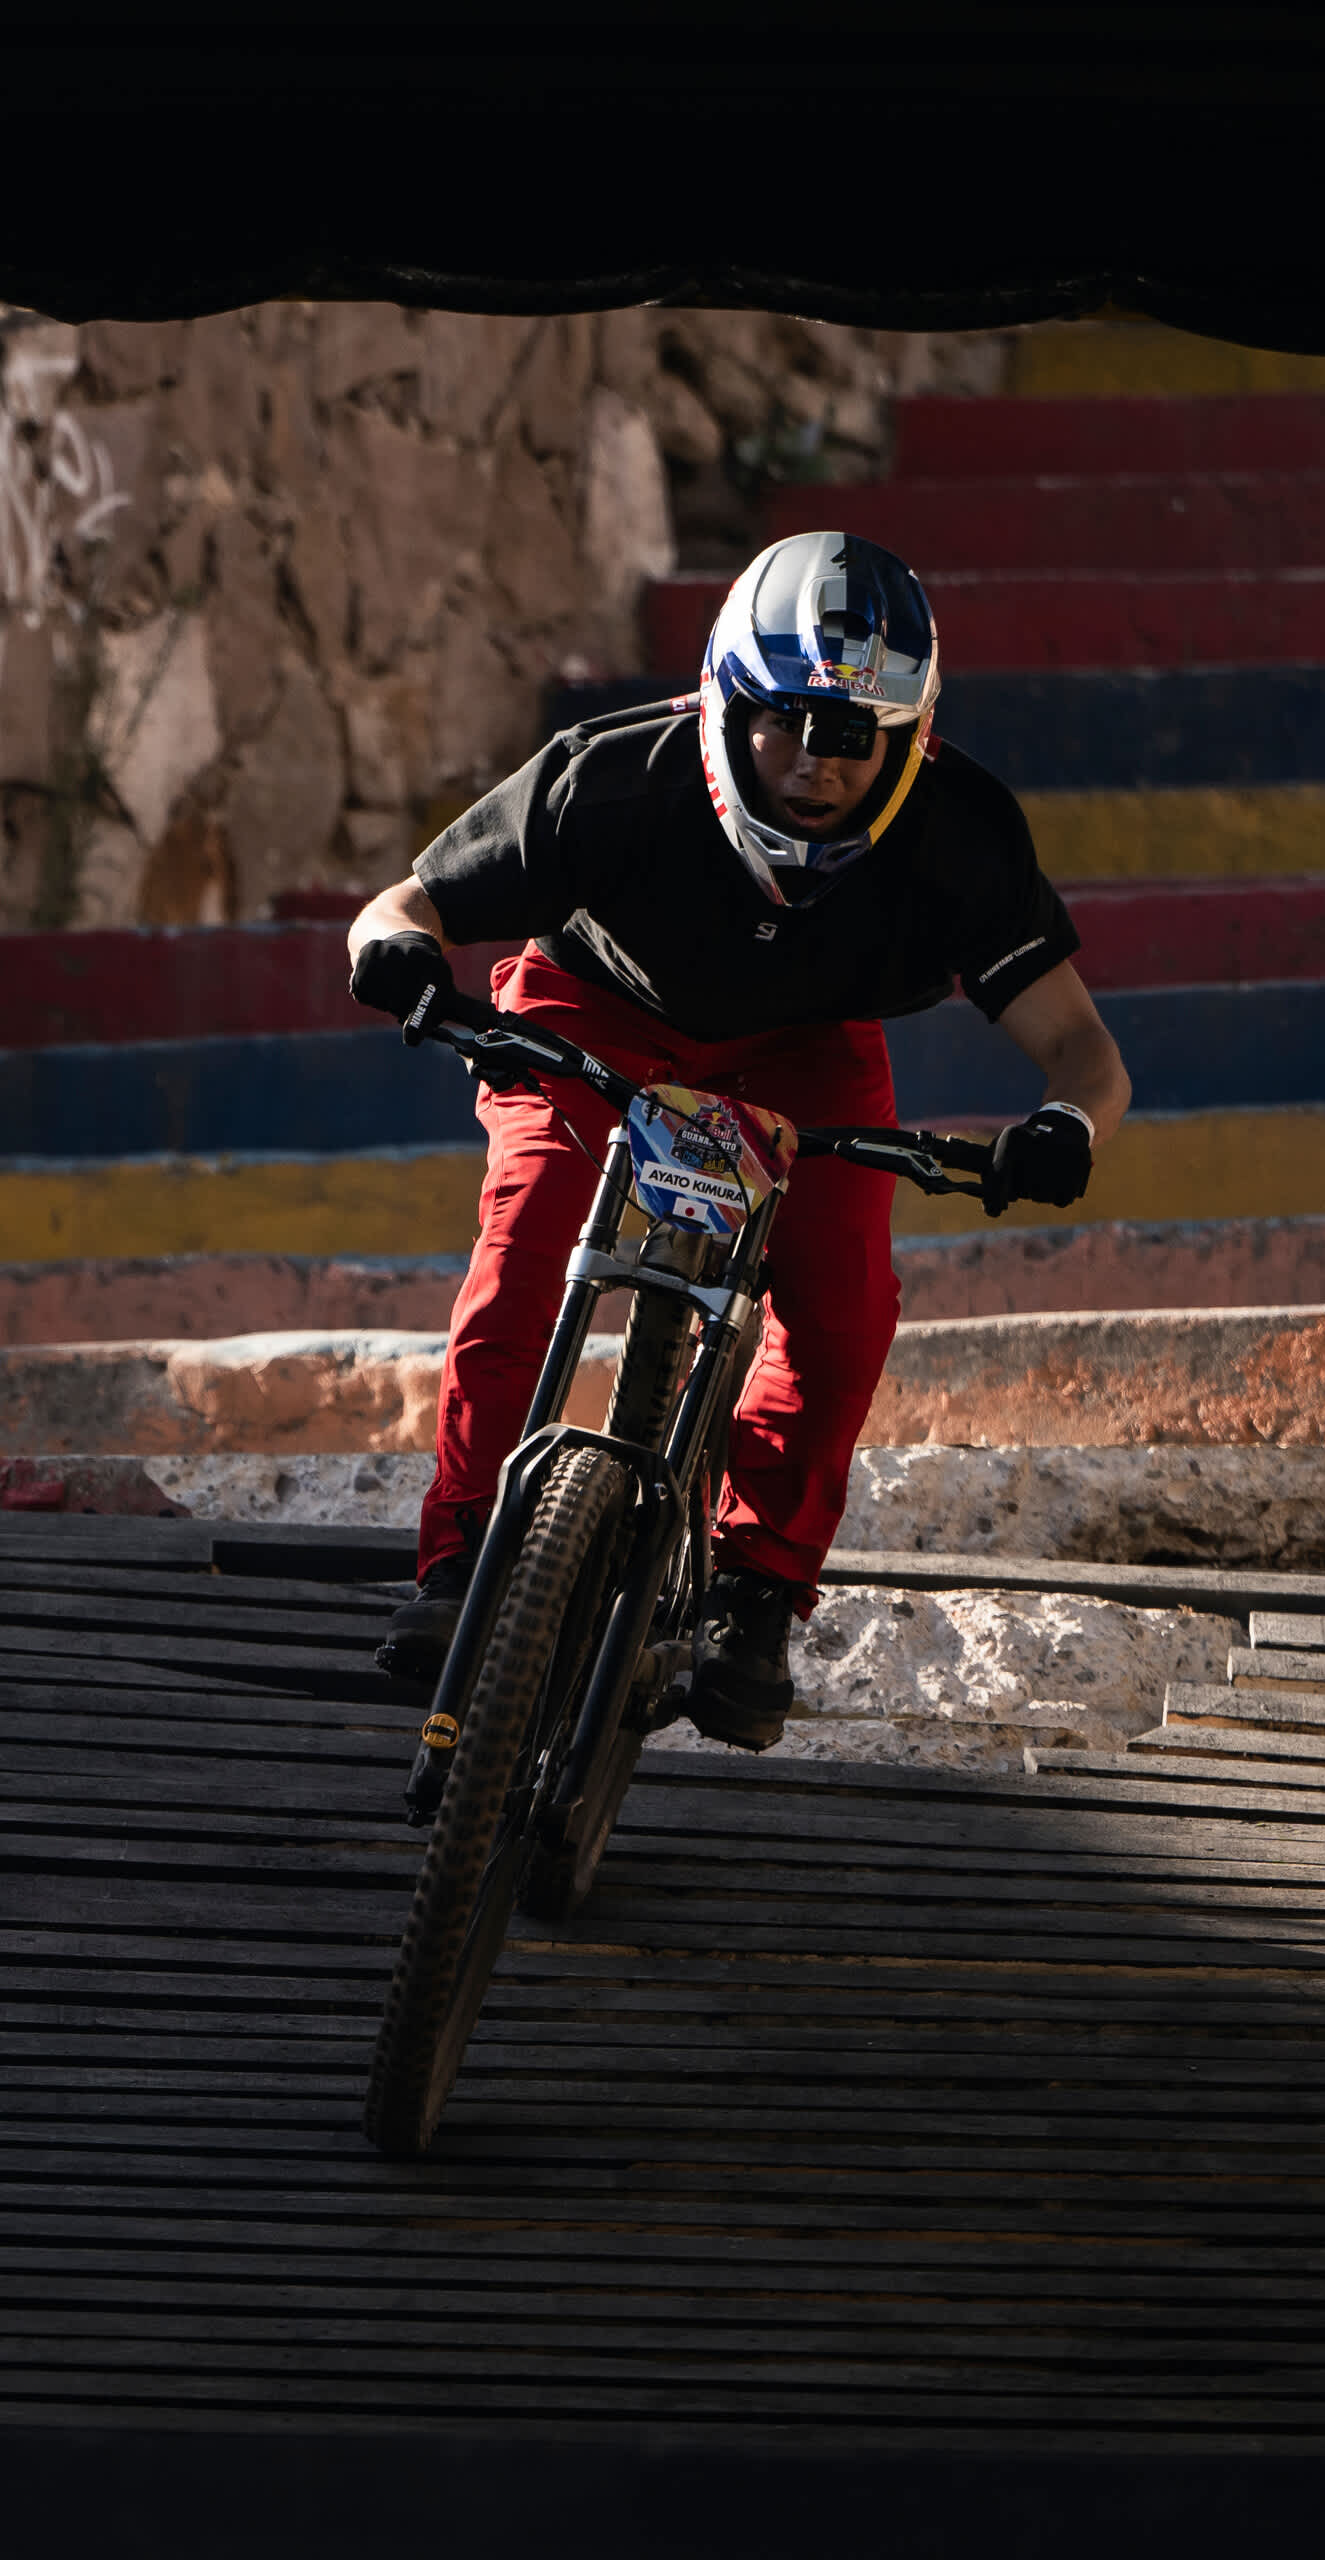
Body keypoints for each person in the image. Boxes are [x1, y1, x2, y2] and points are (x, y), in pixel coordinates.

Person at [343, 531, 1131, 1749]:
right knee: (527, 1244)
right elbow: (405, 904)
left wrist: (1065, 1127)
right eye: (786, 724)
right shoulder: (610, 776)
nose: (818, 765)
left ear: (912, 736)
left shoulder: (961, 836)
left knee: (846, 1304)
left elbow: (1085, 1052)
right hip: (594, 1009)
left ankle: (756, 1593)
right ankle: (459, 1562)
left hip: (804, 1048)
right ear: (724, 700)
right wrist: (395, 954)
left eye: (854, 735)